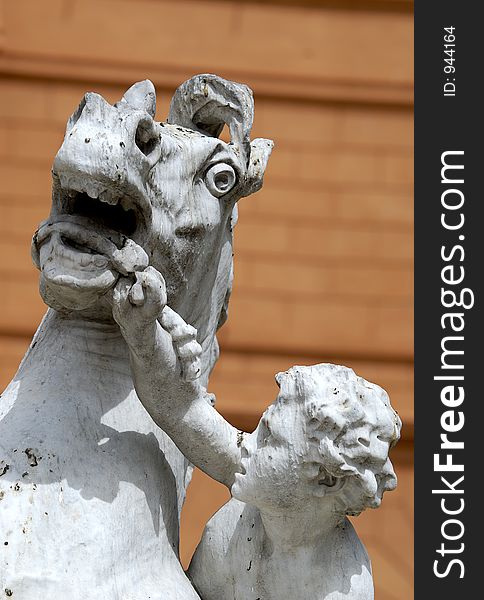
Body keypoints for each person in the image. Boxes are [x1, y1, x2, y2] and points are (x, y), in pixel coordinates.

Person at [112, 267, 402, 600]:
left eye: (271, 438)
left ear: (324, 479)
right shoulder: (257, 490)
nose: (247, 442)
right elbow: (180, 409)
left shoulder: (337, 588)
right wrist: (144, 335)